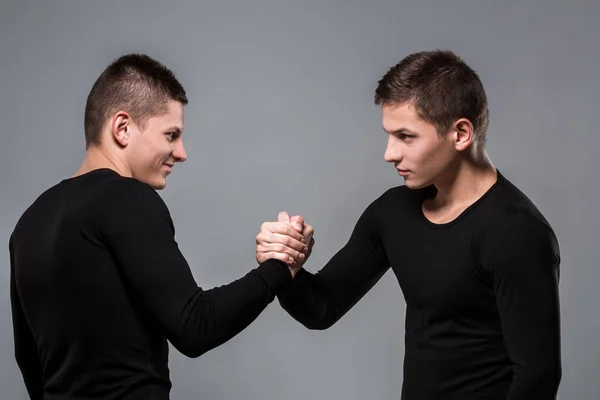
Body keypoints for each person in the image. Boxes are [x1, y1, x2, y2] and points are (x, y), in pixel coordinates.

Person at [256, 50, 562, 399]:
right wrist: (287, 266)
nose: (389, 153)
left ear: (461, 133)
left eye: (406, 136)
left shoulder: (517, 233)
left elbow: (537, 378)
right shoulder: (393, 212)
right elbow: (322, 308)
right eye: (389, 135)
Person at [9, 53, 303, 400]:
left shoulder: (28, 223)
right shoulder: (126, 197)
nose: (181, 152)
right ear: (123, 128)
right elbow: (195, 327)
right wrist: (280, 268)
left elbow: (30, 363)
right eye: (171, 135)